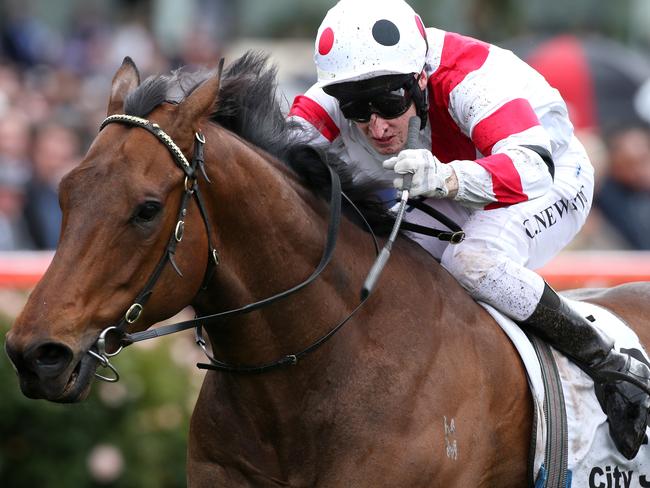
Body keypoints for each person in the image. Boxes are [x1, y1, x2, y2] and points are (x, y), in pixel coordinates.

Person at [288, 0, 650, 459]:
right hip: (441, 181)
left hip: (548, 175)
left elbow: (531, 168)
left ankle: (614, 368)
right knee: (386, 272)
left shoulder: (469, 78)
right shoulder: (335, 91)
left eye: (390, 103)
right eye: (358, 109)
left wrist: (447, 178)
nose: (376, 126)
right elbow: (274, 158)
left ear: (420, 77)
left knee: (472, 261)